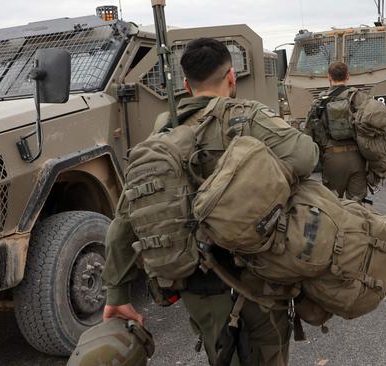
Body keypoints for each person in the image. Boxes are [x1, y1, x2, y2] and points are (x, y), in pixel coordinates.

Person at [101, 38, 318, 366]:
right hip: (260, 273)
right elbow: (306, 157)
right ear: (231, 77)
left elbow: (126, 219)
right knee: (269, 352)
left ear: (186, 85)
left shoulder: (161, 140)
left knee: (221, 352)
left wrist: (116, 294)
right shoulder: (249, 118)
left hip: (199, 282)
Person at [304, 61, 368, 200]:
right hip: (357, 157)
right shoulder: (359, 98)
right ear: (348, 76)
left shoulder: (318, 102)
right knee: (359, 205)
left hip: (332, 158)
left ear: (329, 77)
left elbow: (308, 133)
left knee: (333, 204)